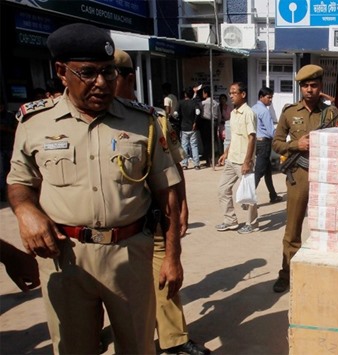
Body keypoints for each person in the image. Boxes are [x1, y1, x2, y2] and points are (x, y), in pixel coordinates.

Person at [6, 23, 183, 354]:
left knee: (138, 347)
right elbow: (19, 181)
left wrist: (172, 256)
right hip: (65, 258)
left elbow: (167, 192)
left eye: (108, 73)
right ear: (61, 72)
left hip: (129, 255)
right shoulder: (34, 122)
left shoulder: (141, 121)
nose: (102, 83)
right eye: (88, 73)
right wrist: (25, 210)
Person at [114, 49, 209, 355]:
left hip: (153, 219)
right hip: (113, 225)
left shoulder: (153, 118)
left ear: (129, 79)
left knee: (166, 277)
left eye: (110, 76)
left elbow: (175, 165)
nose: (102, 83)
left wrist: (182, 205)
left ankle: (173, 340)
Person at [271, 64, 338, 293]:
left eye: (314, 85)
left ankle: (321, 271)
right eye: (305, 86)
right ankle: (287, 273)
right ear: (300, 88)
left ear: (321, 86)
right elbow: (276, 142)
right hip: (299, 176)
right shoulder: (290, 112)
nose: (309, 90)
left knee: (325, 227)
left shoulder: (332, 114)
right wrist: (296, 145)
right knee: (293, 228)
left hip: (325, 176)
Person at [215, 82, 259, 234]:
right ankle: (230, 220)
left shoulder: (249, 113)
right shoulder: (233, 113)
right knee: (222, 189)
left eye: (234, 92)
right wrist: (226, 153)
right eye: (230, 93)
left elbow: (252, 138)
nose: (231, 96)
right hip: (231, 159)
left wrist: (247, 161)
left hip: (243, 161)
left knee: (248, 193)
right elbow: (234, 137)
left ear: (243, 94)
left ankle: (252, 223)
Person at [252, 86, 282, 204]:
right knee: (259, 172)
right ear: (261, 97)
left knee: (267, 170)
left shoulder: (253, 108)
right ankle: (248, 197)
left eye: (271, 97)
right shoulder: (264, 111)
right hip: (264, 143)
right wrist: (280, 139)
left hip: (256, 142)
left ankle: (273, 195)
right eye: (269, 97)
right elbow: (270, 131)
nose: (270, 100)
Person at [178, 87, 202, 170]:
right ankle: (196, 164)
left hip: (184, 127)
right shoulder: (194, 103)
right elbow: (198, 113)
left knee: (184, 146)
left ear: (185, 94)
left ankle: (184, 164)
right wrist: (195, 122)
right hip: (193, 127)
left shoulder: (180, 103)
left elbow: (176, 114)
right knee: (194, 146)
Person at [199, 87, 220, 167]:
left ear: (206, 94)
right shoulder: (216, 103)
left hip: (206, 122)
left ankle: (209, 160)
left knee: (207, 142)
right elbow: (219, 114)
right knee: (214, 141)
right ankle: (215, 159)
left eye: (203, 93)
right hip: (214, 122)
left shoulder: (203, 103)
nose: (202, 94)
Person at [0, 101, 17, 201]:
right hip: (1, 148)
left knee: (14, 170)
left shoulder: (10, 115)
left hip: (10, 146)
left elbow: (17, 130)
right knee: (1, 172)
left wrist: (5, 128)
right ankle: (3, 193)